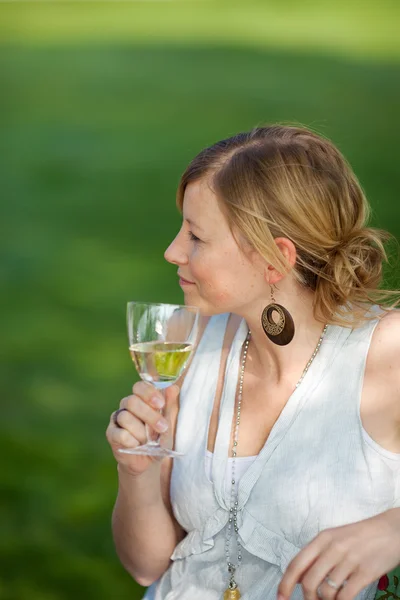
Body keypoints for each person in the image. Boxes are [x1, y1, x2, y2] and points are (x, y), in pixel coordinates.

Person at [106, 125, 400, 600]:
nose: (172, 251)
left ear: (274, 258)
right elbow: (146, 567)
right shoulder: (189, 343)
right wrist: (135, 472)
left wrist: (395, 530)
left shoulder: (387, 353)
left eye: (196, 236)